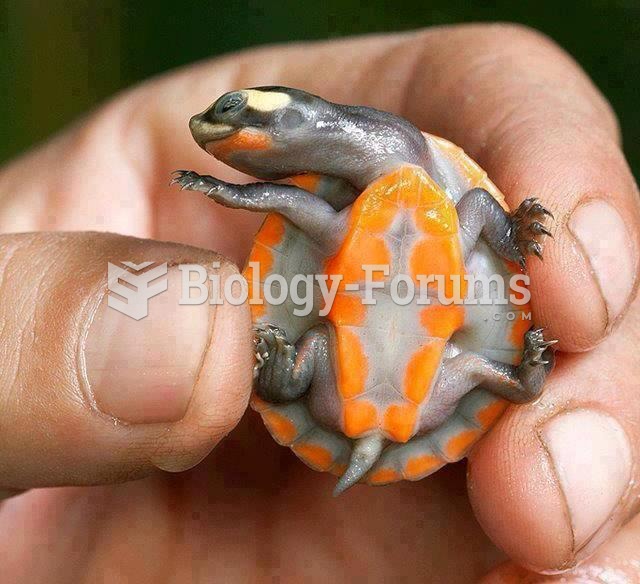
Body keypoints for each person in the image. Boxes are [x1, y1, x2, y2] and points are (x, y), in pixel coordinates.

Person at [0, 24, 638, 582]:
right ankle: (502, 378)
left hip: (385, 377)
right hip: (411, 381)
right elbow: (295, 201)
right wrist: (219, 189)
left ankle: (306, 379)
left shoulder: (358, 217)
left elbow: (459, 210)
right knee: (463, 368)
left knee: (442, 361)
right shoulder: (356, 223)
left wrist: (513, 232)